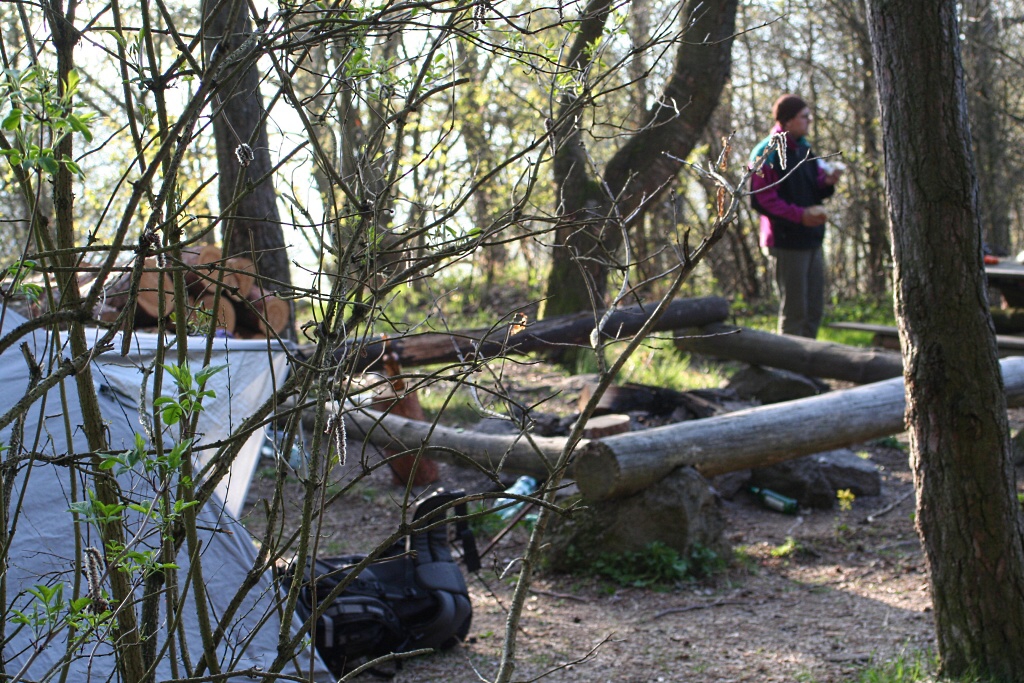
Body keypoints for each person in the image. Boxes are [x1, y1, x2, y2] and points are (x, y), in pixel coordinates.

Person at [749, 94, 842, 338]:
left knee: (813, 310)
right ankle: (787, 371)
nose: (809, 121)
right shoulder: (765, 152)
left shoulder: (803, 148)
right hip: (786, 240)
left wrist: (827, 182)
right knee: (795, 311)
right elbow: (760, 198)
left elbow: (812, 186)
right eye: (804, 116)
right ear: (788, 121)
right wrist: (800, 215)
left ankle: (807, 368)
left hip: (812, 238)